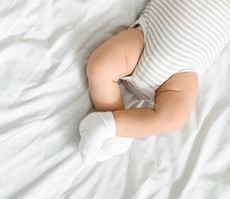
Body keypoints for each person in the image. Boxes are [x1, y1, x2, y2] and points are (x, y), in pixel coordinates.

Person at [79, 0, 230, 164]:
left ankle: (112, 127)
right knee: (101, 66)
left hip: (181, 74)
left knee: (174, 117)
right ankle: (116, 130)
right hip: (147, 36)